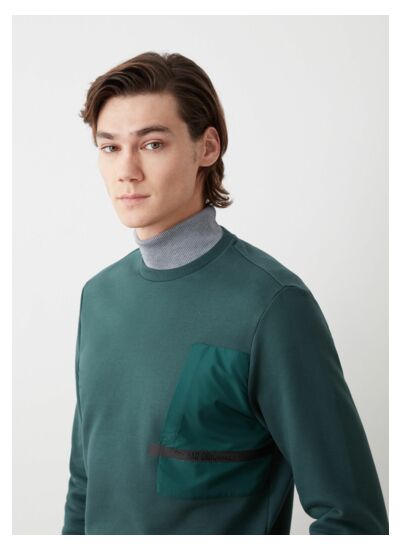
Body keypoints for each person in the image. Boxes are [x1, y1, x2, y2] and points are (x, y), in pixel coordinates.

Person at [61, 51, 389, 535]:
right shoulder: (99, 298)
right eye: (110, 147)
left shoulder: (273, 306)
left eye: (152, 144)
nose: (126, 170)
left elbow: (353, 520)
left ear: (207, 148)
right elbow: (85, 488)